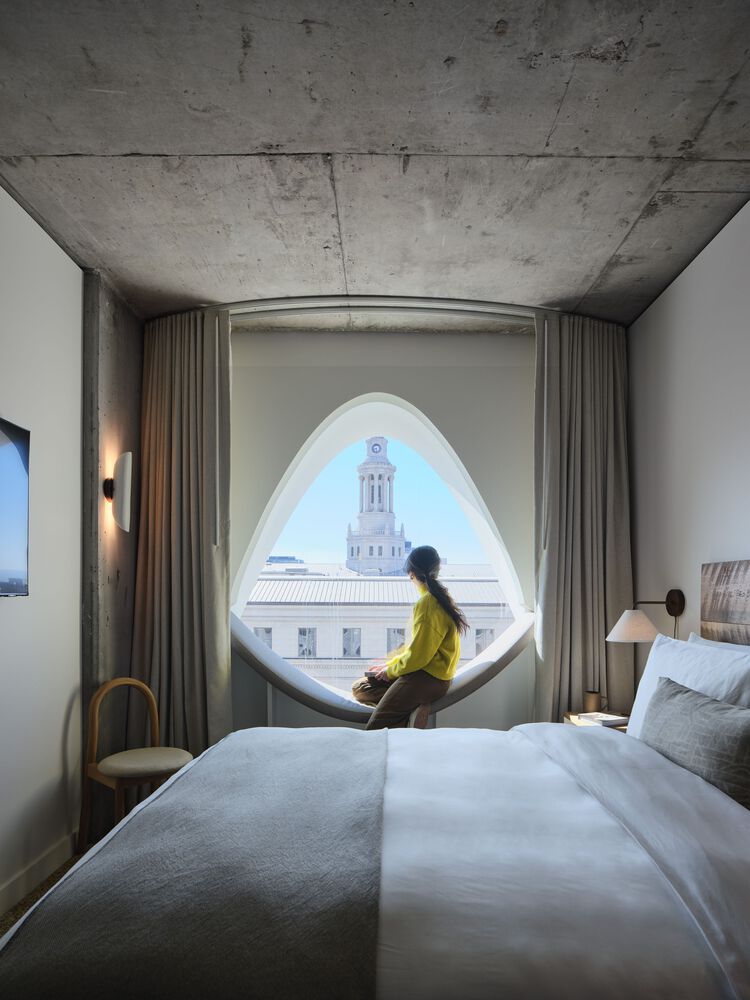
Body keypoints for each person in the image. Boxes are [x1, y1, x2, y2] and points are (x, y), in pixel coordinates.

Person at [352, 545, 468, 729]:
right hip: (426, 673)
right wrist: (390, 666)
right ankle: (412, 705)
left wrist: (391, 671)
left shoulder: (428, 604)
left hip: (427, 677)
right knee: (360, 688)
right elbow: (417, 649)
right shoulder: (439, 597)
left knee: (375, 727)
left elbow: (418, 656)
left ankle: (409, 703)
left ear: (411, 574)